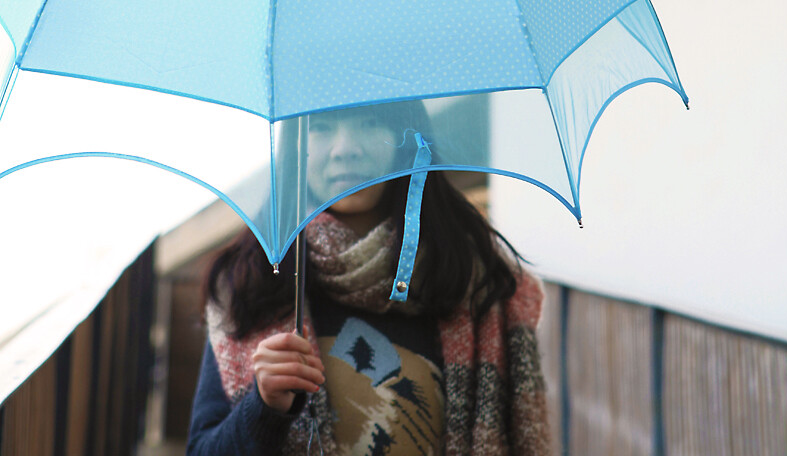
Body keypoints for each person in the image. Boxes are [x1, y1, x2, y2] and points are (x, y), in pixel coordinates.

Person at [187, 102, 551, 455]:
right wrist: (264, 407)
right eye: (322, 128)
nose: (346, 149)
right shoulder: (252, 281)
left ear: (407, 136)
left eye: (371, 123)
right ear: (295, 148)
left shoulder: (476, 280)